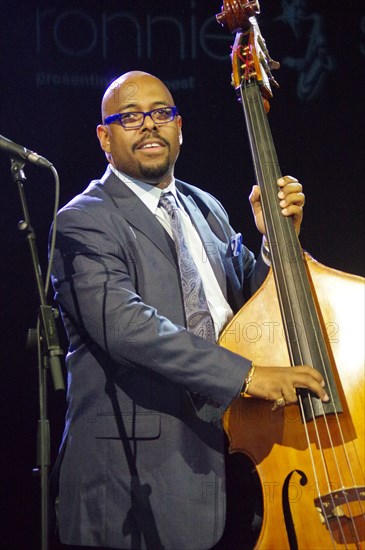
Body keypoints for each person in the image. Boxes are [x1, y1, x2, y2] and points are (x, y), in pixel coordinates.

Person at [50, 70, 329, 550]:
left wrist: (275, 243)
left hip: (236, 463)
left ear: (180, 127)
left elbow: (255, 310)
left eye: (162, 114)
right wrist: (246, 376)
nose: (149, 126)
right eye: (131, 117)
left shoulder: (207, 208)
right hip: (133, 487)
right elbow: (126, 326)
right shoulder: (82, 219)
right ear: (104, 136)